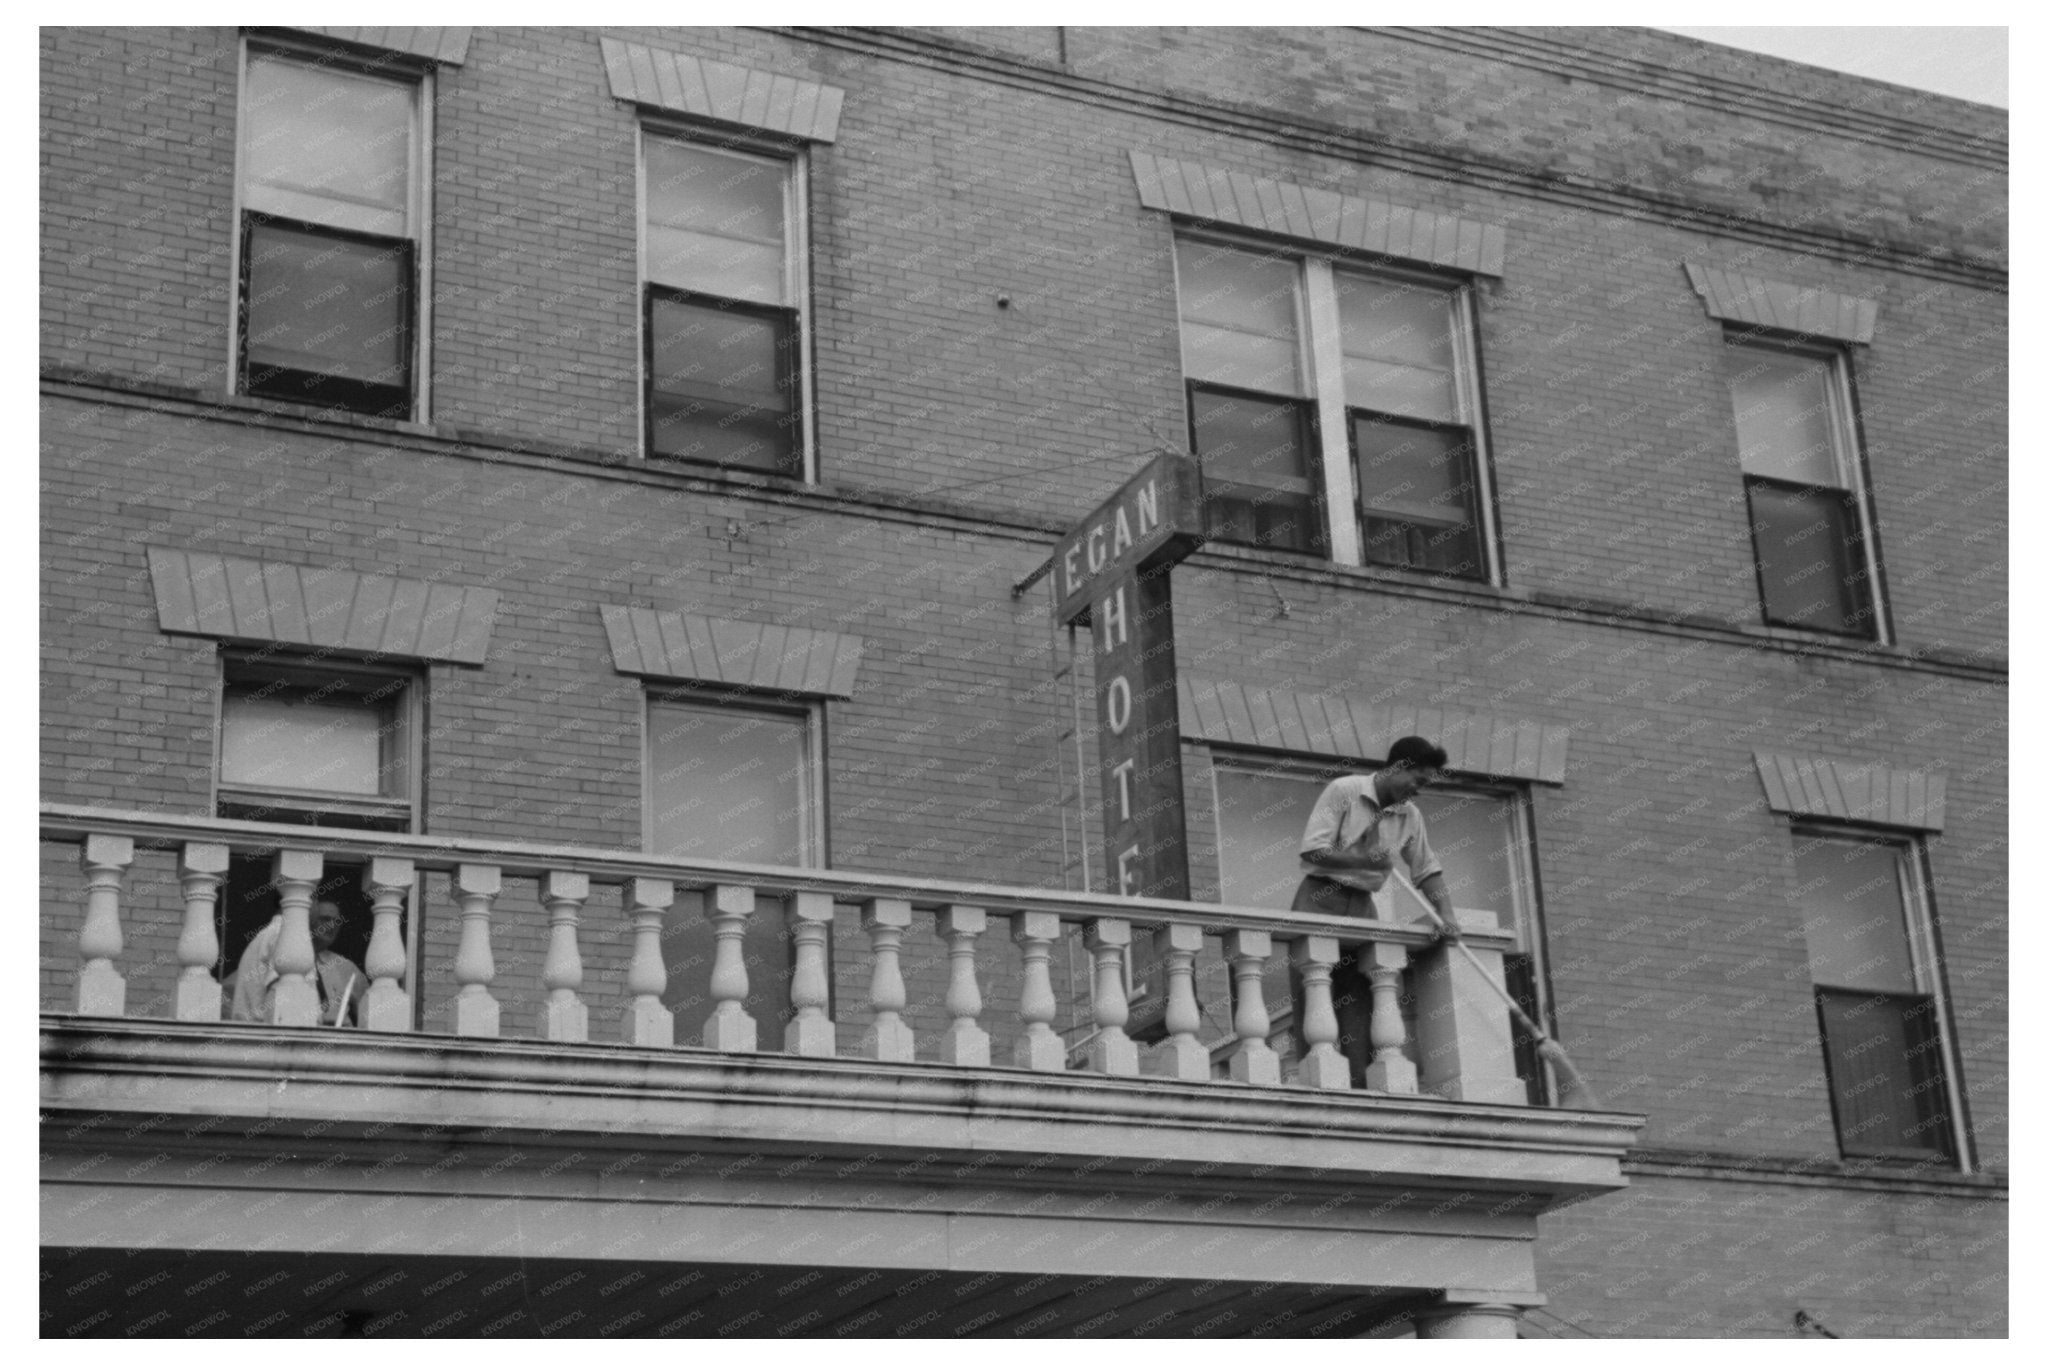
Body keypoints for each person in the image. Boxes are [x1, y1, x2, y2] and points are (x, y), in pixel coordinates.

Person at [1288, 735, 1461, 1088]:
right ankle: (1316, 1078)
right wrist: (1362, 858)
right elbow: (1312, 851)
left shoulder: (1410, 815)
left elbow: (1427, 869)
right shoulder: (1345, 790)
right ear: (1399, 768)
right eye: (1419, 781)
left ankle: (1358, 1081)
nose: (1419, 791)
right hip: (1320, 897)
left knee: (1362, 993)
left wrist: (1447, 914)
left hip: (1363, 904)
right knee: (1315, 989)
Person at [228, 899, 370, 1027]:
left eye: (336, 921)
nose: (331, 926)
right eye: (325, 919)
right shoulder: (283, 934)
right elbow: (286, 1006)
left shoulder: (278, 934)